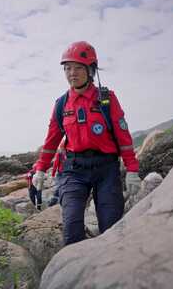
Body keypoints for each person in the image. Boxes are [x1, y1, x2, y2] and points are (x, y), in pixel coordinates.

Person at [32, 41, 141, 245]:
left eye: (78, 67)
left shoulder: (107, 99)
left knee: (111, 229)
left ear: (90, 70)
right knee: (72, 230)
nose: (72, 73)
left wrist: (132, 169)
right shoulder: (61, 104)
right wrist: (40, 169)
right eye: (67, 68)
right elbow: (51, 141)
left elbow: (123, 137)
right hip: (74, 170)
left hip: (106, 169)